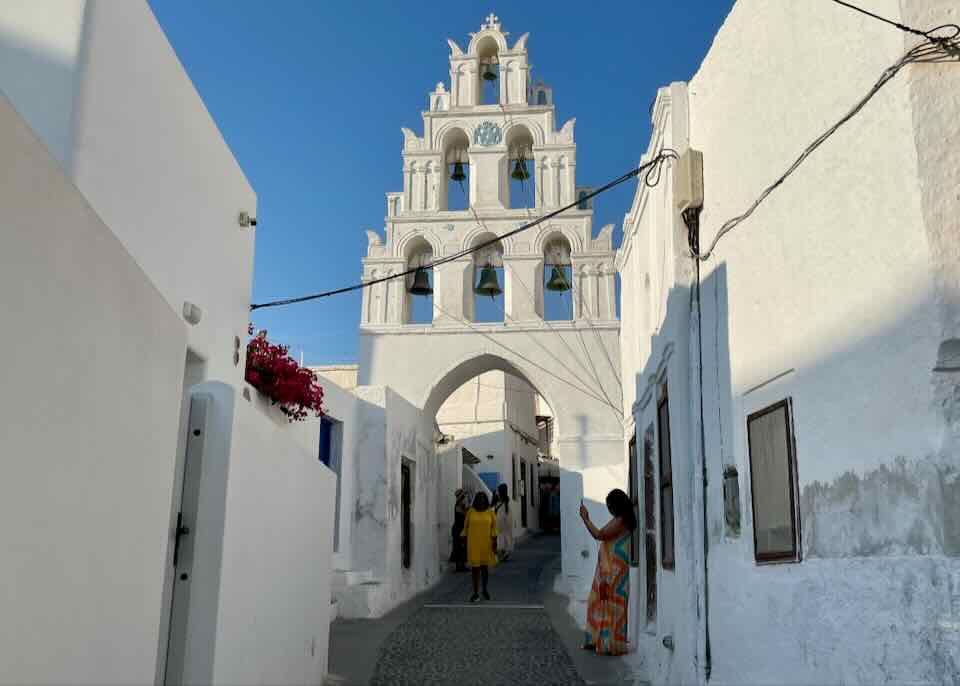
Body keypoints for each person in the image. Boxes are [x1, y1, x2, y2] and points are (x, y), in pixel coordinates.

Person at [578, 489, 637, 656]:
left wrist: (586, 519)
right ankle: (600, 642)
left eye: (610, 505)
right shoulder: (622, 519)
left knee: (609, 604)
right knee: (603, 603)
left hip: (613, 571)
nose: (609, 509)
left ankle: (607, 644)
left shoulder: (621, 521)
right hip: (612, 567)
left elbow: (600, 534)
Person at [461, 491, 498, 602]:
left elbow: (494, 528)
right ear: (476, 500)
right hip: (474, 544)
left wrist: (494, 541)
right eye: (479, 498)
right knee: (475, 569)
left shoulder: (490, 512)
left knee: (484, 568)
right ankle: (475, 592)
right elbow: (465, 527)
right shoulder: (470, 512)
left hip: (486, 544)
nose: (481, 500)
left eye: (483, 498)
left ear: (486, 500)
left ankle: (485, 589)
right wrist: (463, 539)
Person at [449, 488, 469, 572]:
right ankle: (459, 566)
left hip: (460, 529)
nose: (465, 498)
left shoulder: (461, 505)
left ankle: (462, 565)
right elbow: (464, 515)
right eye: (464, 496)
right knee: (458, 547)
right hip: (458, 529)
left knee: (462, 547)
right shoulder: (458, 506)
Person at [494, 483, 513, 561]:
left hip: (501, 526)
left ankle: (503, 552)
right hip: (503, 526)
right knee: (504, 538)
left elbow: (503, 517)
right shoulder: (503, 503)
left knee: (502, 538)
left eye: (498, 491)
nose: (496, 492)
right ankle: (504, 552)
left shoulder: (503, 504)